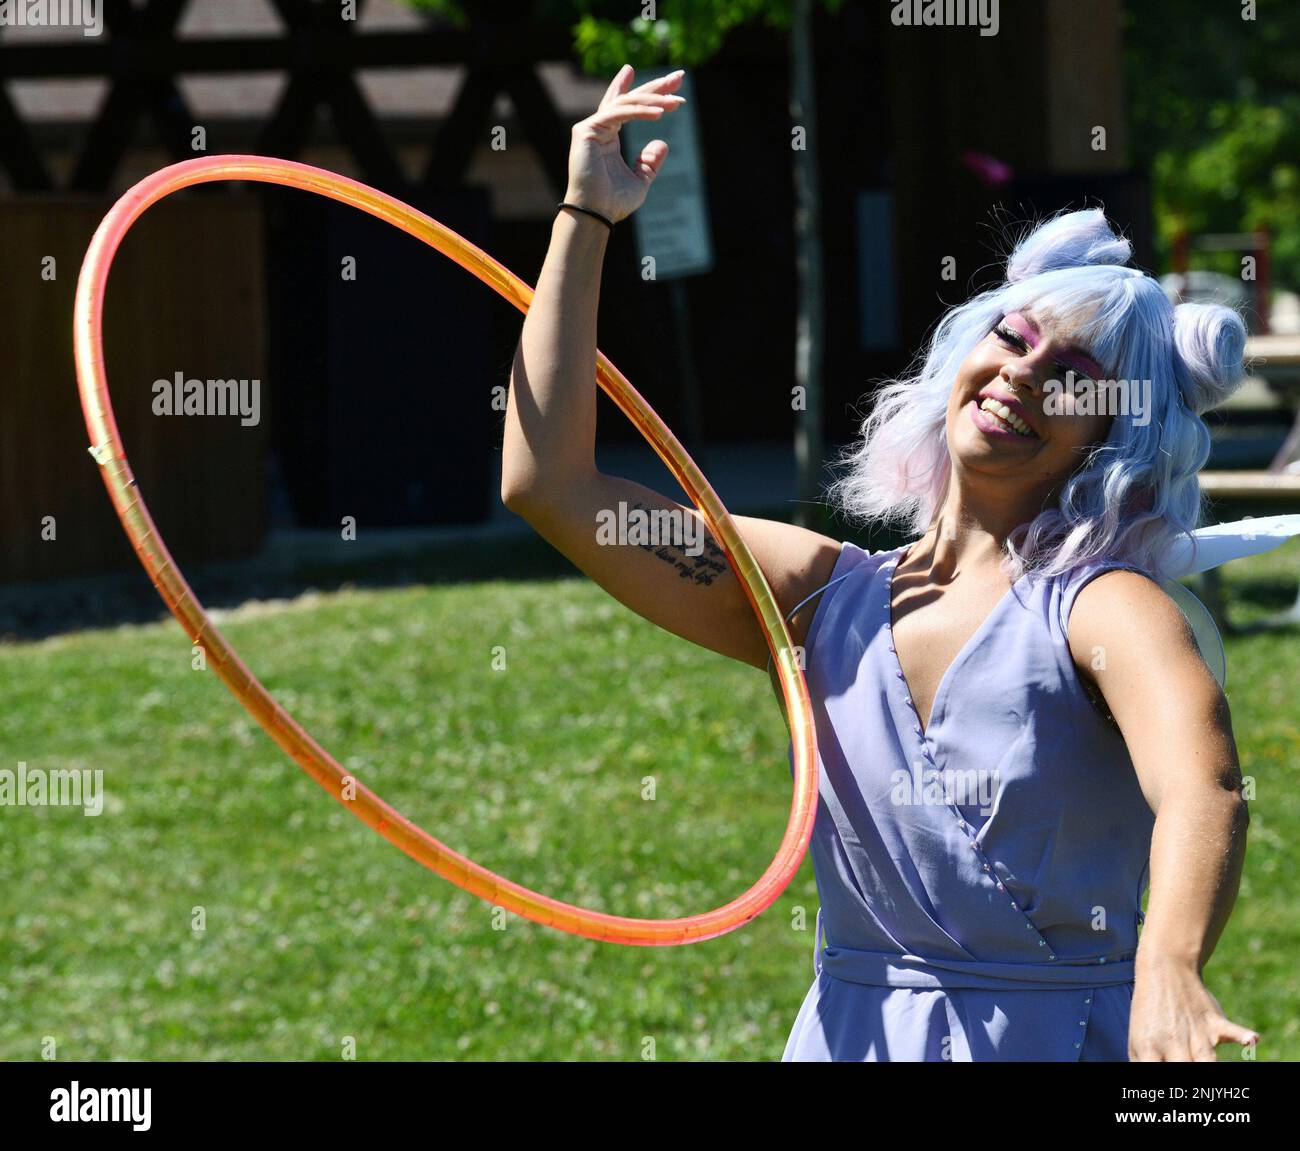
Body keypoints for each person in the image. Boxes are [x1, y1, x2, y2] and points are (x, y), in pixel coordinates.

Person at [501, 65, 1267, 1061]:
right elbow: (551, 487)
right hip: (851, 1032)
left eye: (1073, 375)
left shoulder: (1103, 607)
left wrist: (1168, 967)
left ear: (1112, 438)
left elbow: (1203, 788)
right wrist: (585, 216)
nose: (1023, 373)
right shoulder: (825, 593)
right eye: (1014, 335)